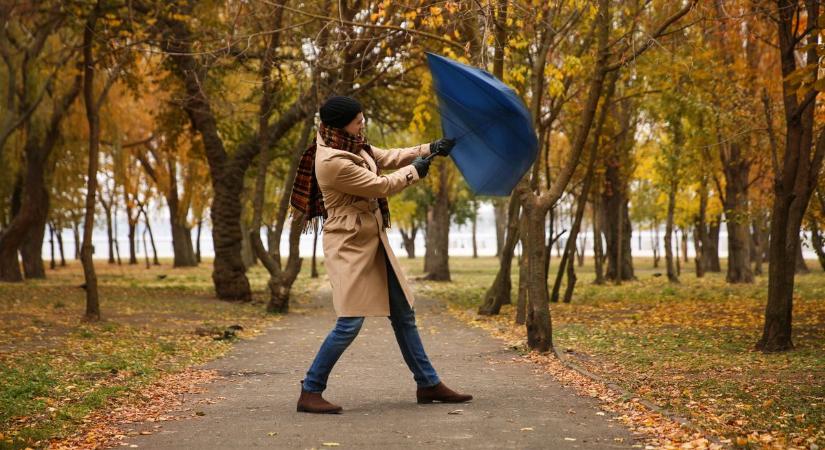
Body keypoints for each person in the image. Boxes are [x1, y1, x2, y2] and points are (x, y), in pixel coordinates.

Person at [289, 95, 472, 414]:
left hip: (371, 239)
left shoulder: (349, 143)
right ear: (340, 124)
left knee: (403, 314)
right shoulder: (333, 161)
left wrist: (430, 148)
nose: (363, 125)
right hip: (348, 243)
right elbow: (380, 186)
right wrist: (414, 172)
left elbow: (385, 157)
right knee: (349, 321)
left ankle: (428, 383)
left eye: (363, 119)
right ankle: (310, 390)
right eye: (358, 120)